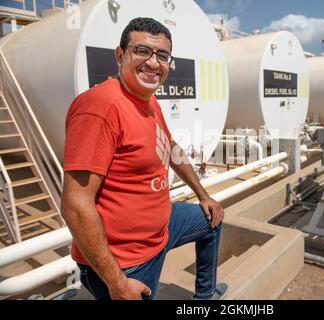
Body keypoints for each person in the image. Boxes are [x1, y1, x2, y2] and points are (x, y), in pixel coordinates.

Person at [61, 17, 226, 300]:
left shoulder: (147, 101)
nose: (153, 62)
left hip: (162, 228)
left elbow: (170, 147)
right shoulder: (100, 107)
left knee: (212, 219)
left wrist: (203, 195)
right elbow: (75, 206)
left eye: (162, 55)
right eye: (142, 51)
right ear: (120, 54)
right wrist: (118, 283)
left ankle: (205, 295)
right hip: (129, 261)